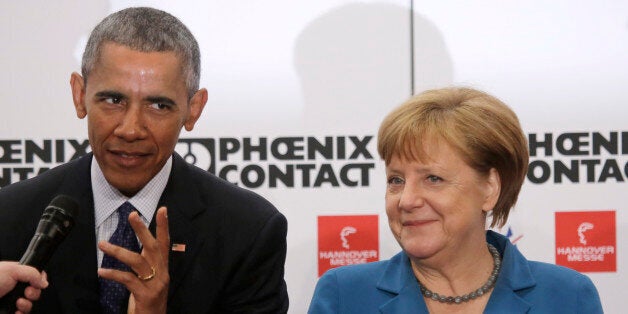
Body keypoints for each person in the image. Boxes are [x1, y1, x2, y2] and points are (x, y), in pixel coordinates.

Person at [0, 7, 288, 313]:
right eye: (113, 100)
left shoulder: (247, 232)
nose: (131, 129)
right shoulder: (9, 217)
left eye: (159, 105)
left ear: (194, 109)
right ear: (79, 94)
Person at [308, 87, 603, 313]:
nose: (407, 200)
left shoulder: (567, 296)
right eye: (396, 180)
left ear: (489, 189)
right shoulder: (344, 296)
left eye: (433, 179)